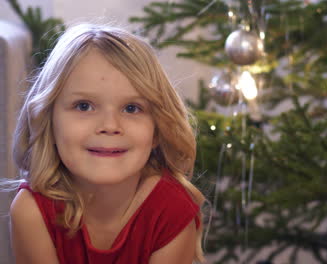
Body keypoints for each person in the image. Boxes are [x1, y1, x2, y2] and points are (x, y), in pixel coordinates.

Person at [5, 23, 206, 264]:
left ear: (157, 130)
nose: (110, 125)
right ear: (48, 121)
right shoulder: (31, 211)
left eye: (132, 108)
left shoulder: (171, 212)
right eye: (84, 106)